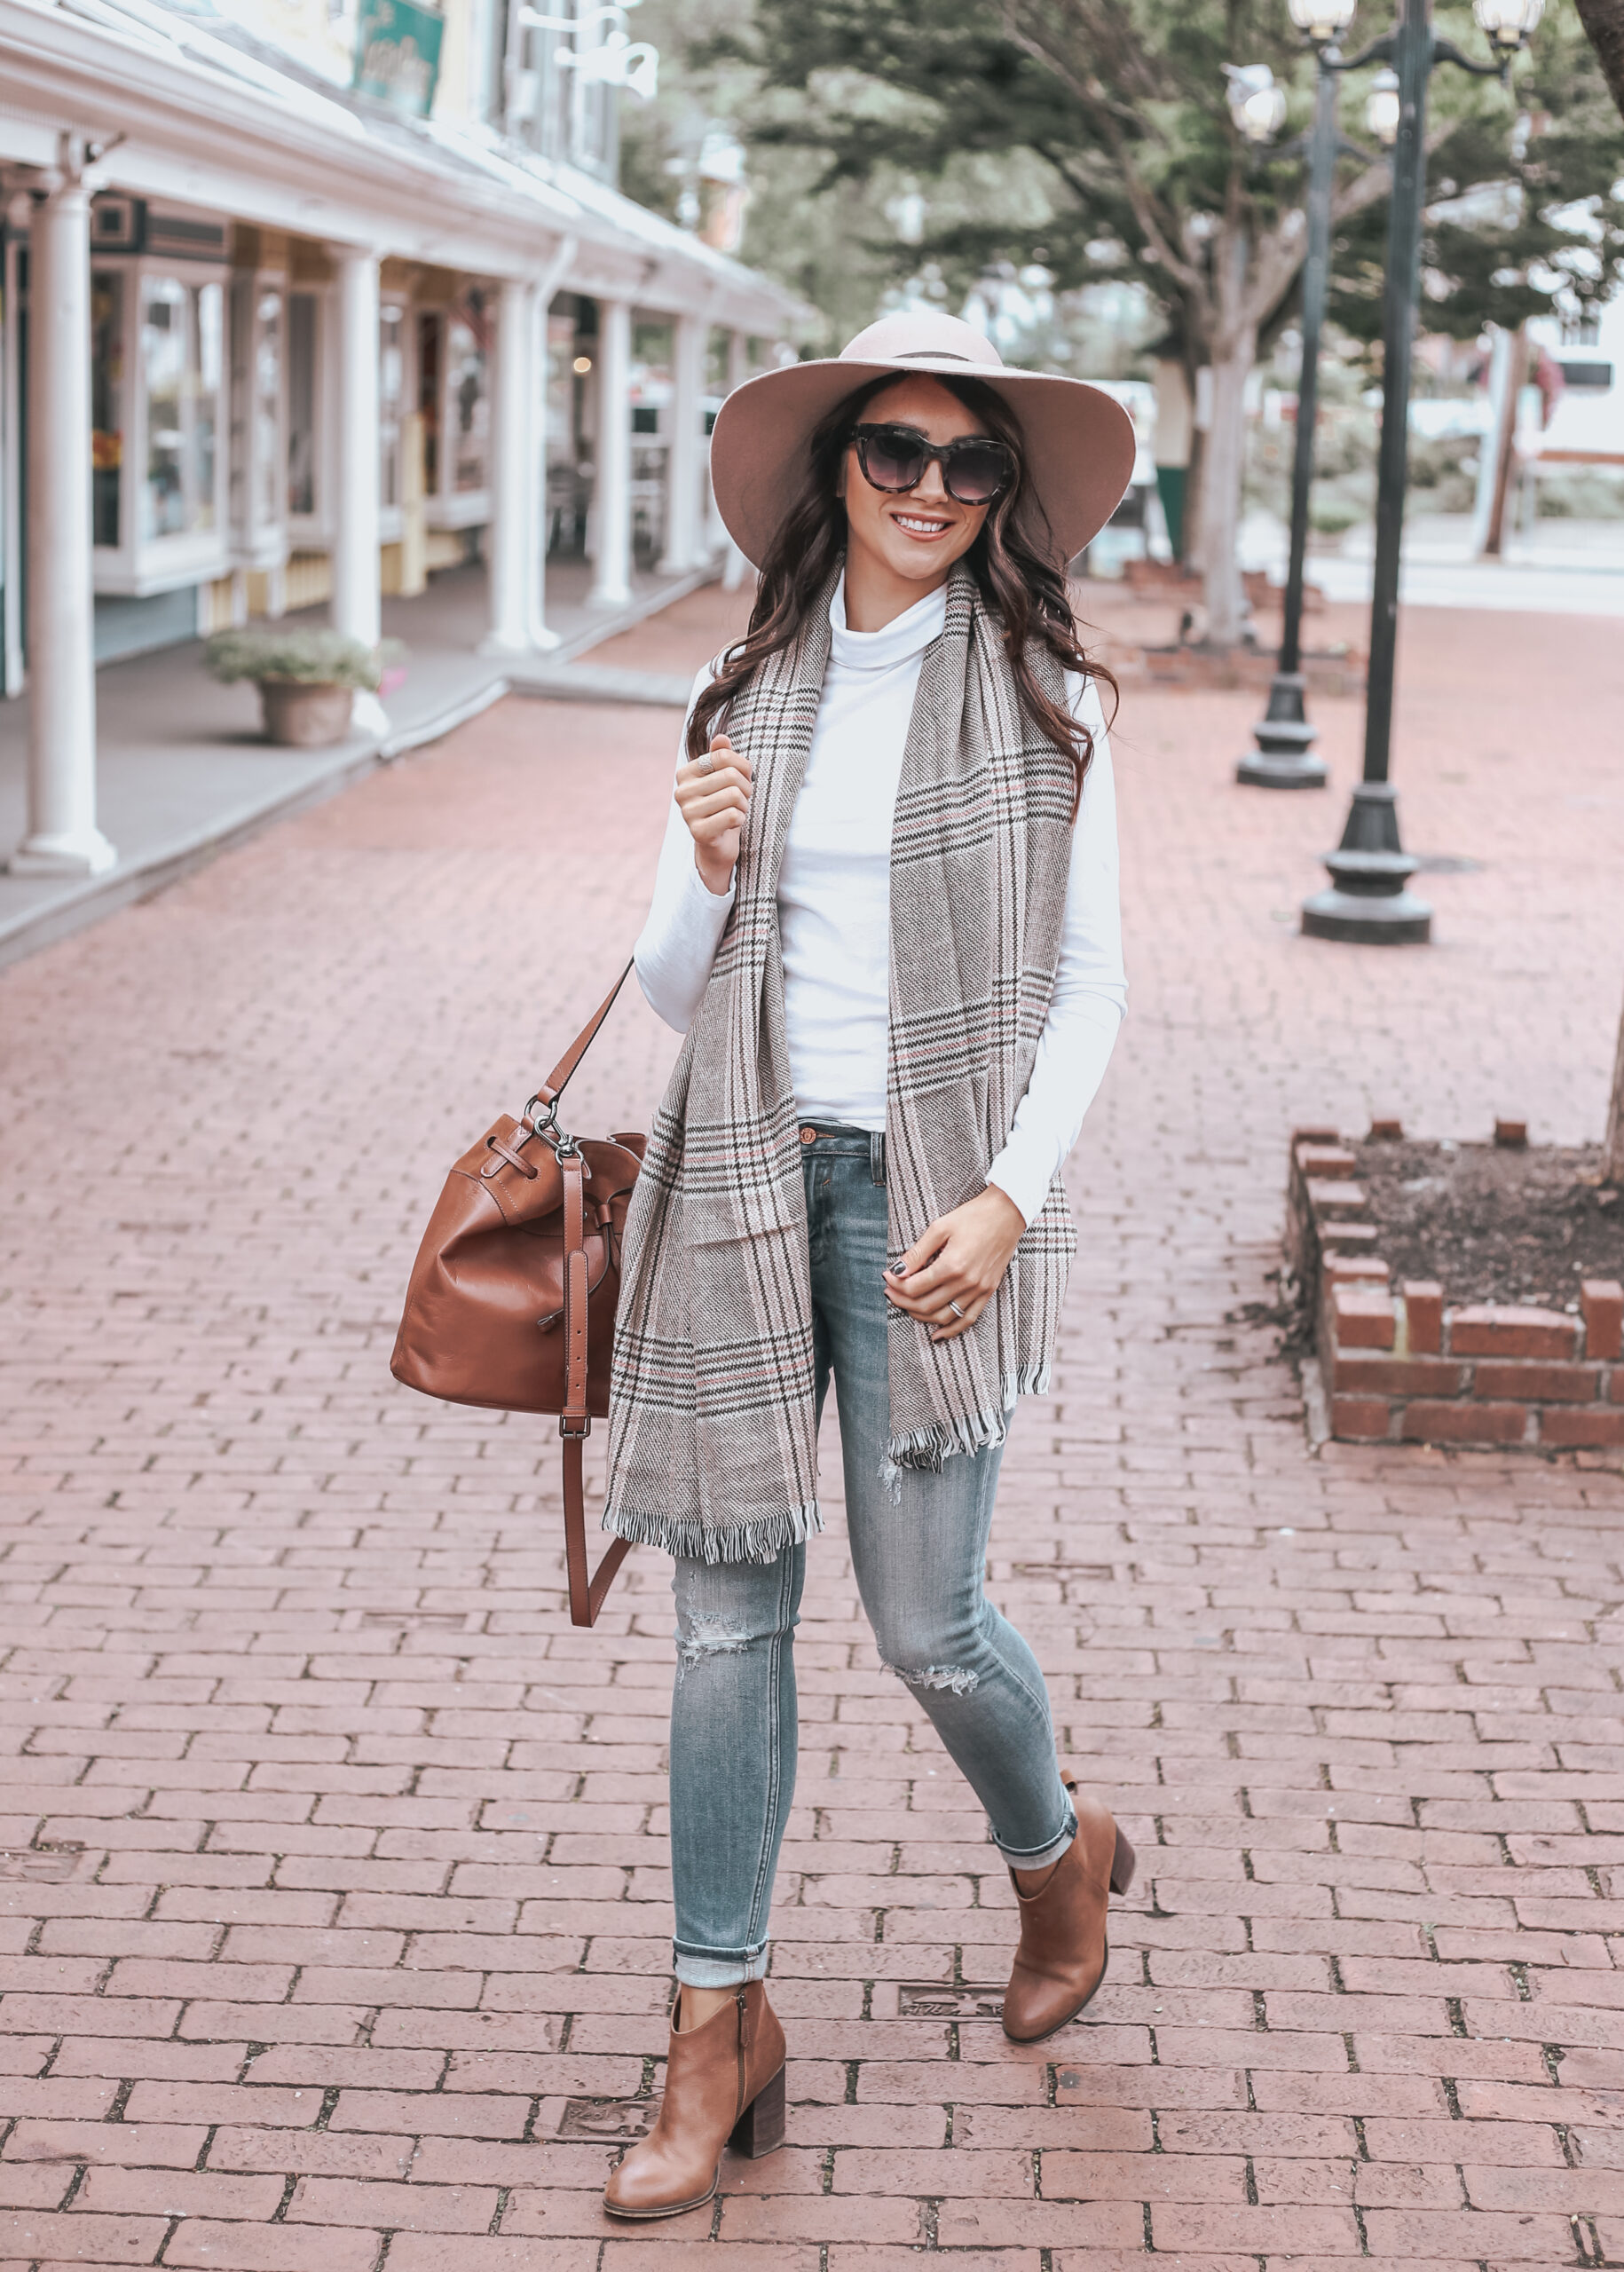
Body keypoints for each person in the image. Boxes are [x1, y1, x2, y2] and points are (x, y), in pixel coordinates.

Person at [598, 312, 1137, 2222]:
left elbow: (1090, 993)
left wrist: (1005, 1194)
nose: (926, 488)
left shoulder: (1051, 691)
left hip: (928, 1210)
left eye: (966, 461)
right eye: (891, 452)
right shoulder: (749, 677)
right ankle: (713, 2016)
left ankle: (1055, 1846)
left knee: (928, 1624)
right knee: (727, 1624)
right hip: (740, 1178)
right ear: (835, 468)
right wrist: (704, 857)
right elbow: (673, 988)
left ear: (1003, 494)